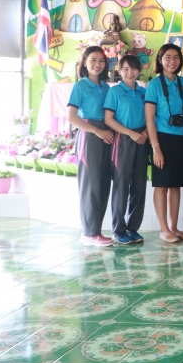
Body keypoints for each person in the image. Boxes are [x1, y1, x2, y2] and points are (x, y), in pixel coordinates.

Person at [144, 44, 183, 243]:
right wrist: (156, 148)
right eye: (168, 57)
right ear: (160, 60)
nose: (172, 61)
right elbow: (149, 119)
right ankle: (163, 229)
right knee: (162, 184)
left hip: (182, 138)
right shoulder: (154, 85)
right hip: (162, 139)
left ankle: (174, 227)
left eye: (176, 57)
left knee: (176, 185)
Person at [67, 46, 113, 247]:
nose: (97, 64)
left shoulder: (106, 87)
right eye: (93, 60)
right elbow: (71, 117)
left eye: (101, 60)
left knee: (103, 184)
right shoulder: (80, 86)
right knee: (90, 185)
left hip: (107, 135)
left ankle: (96, 231)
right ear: (84, 63)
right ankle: (89, 233)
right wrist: (96, 131)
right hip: (90, 135)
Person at [103, 55, 148, 244]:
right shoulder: (115, 92)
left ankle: (133, 228)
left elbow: (152, 115)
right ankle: (119, 229)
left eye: (134, 69)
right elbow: (108, 119)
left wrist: (145, 133)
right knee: (121, 184)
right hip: (123, 139)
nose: (130, 73)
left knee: (139, 185)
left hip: (143, 138)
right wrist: (130, 133)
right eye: (126, 69)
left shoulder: (144, 92)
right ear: (119, 71)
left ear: (139, 70)